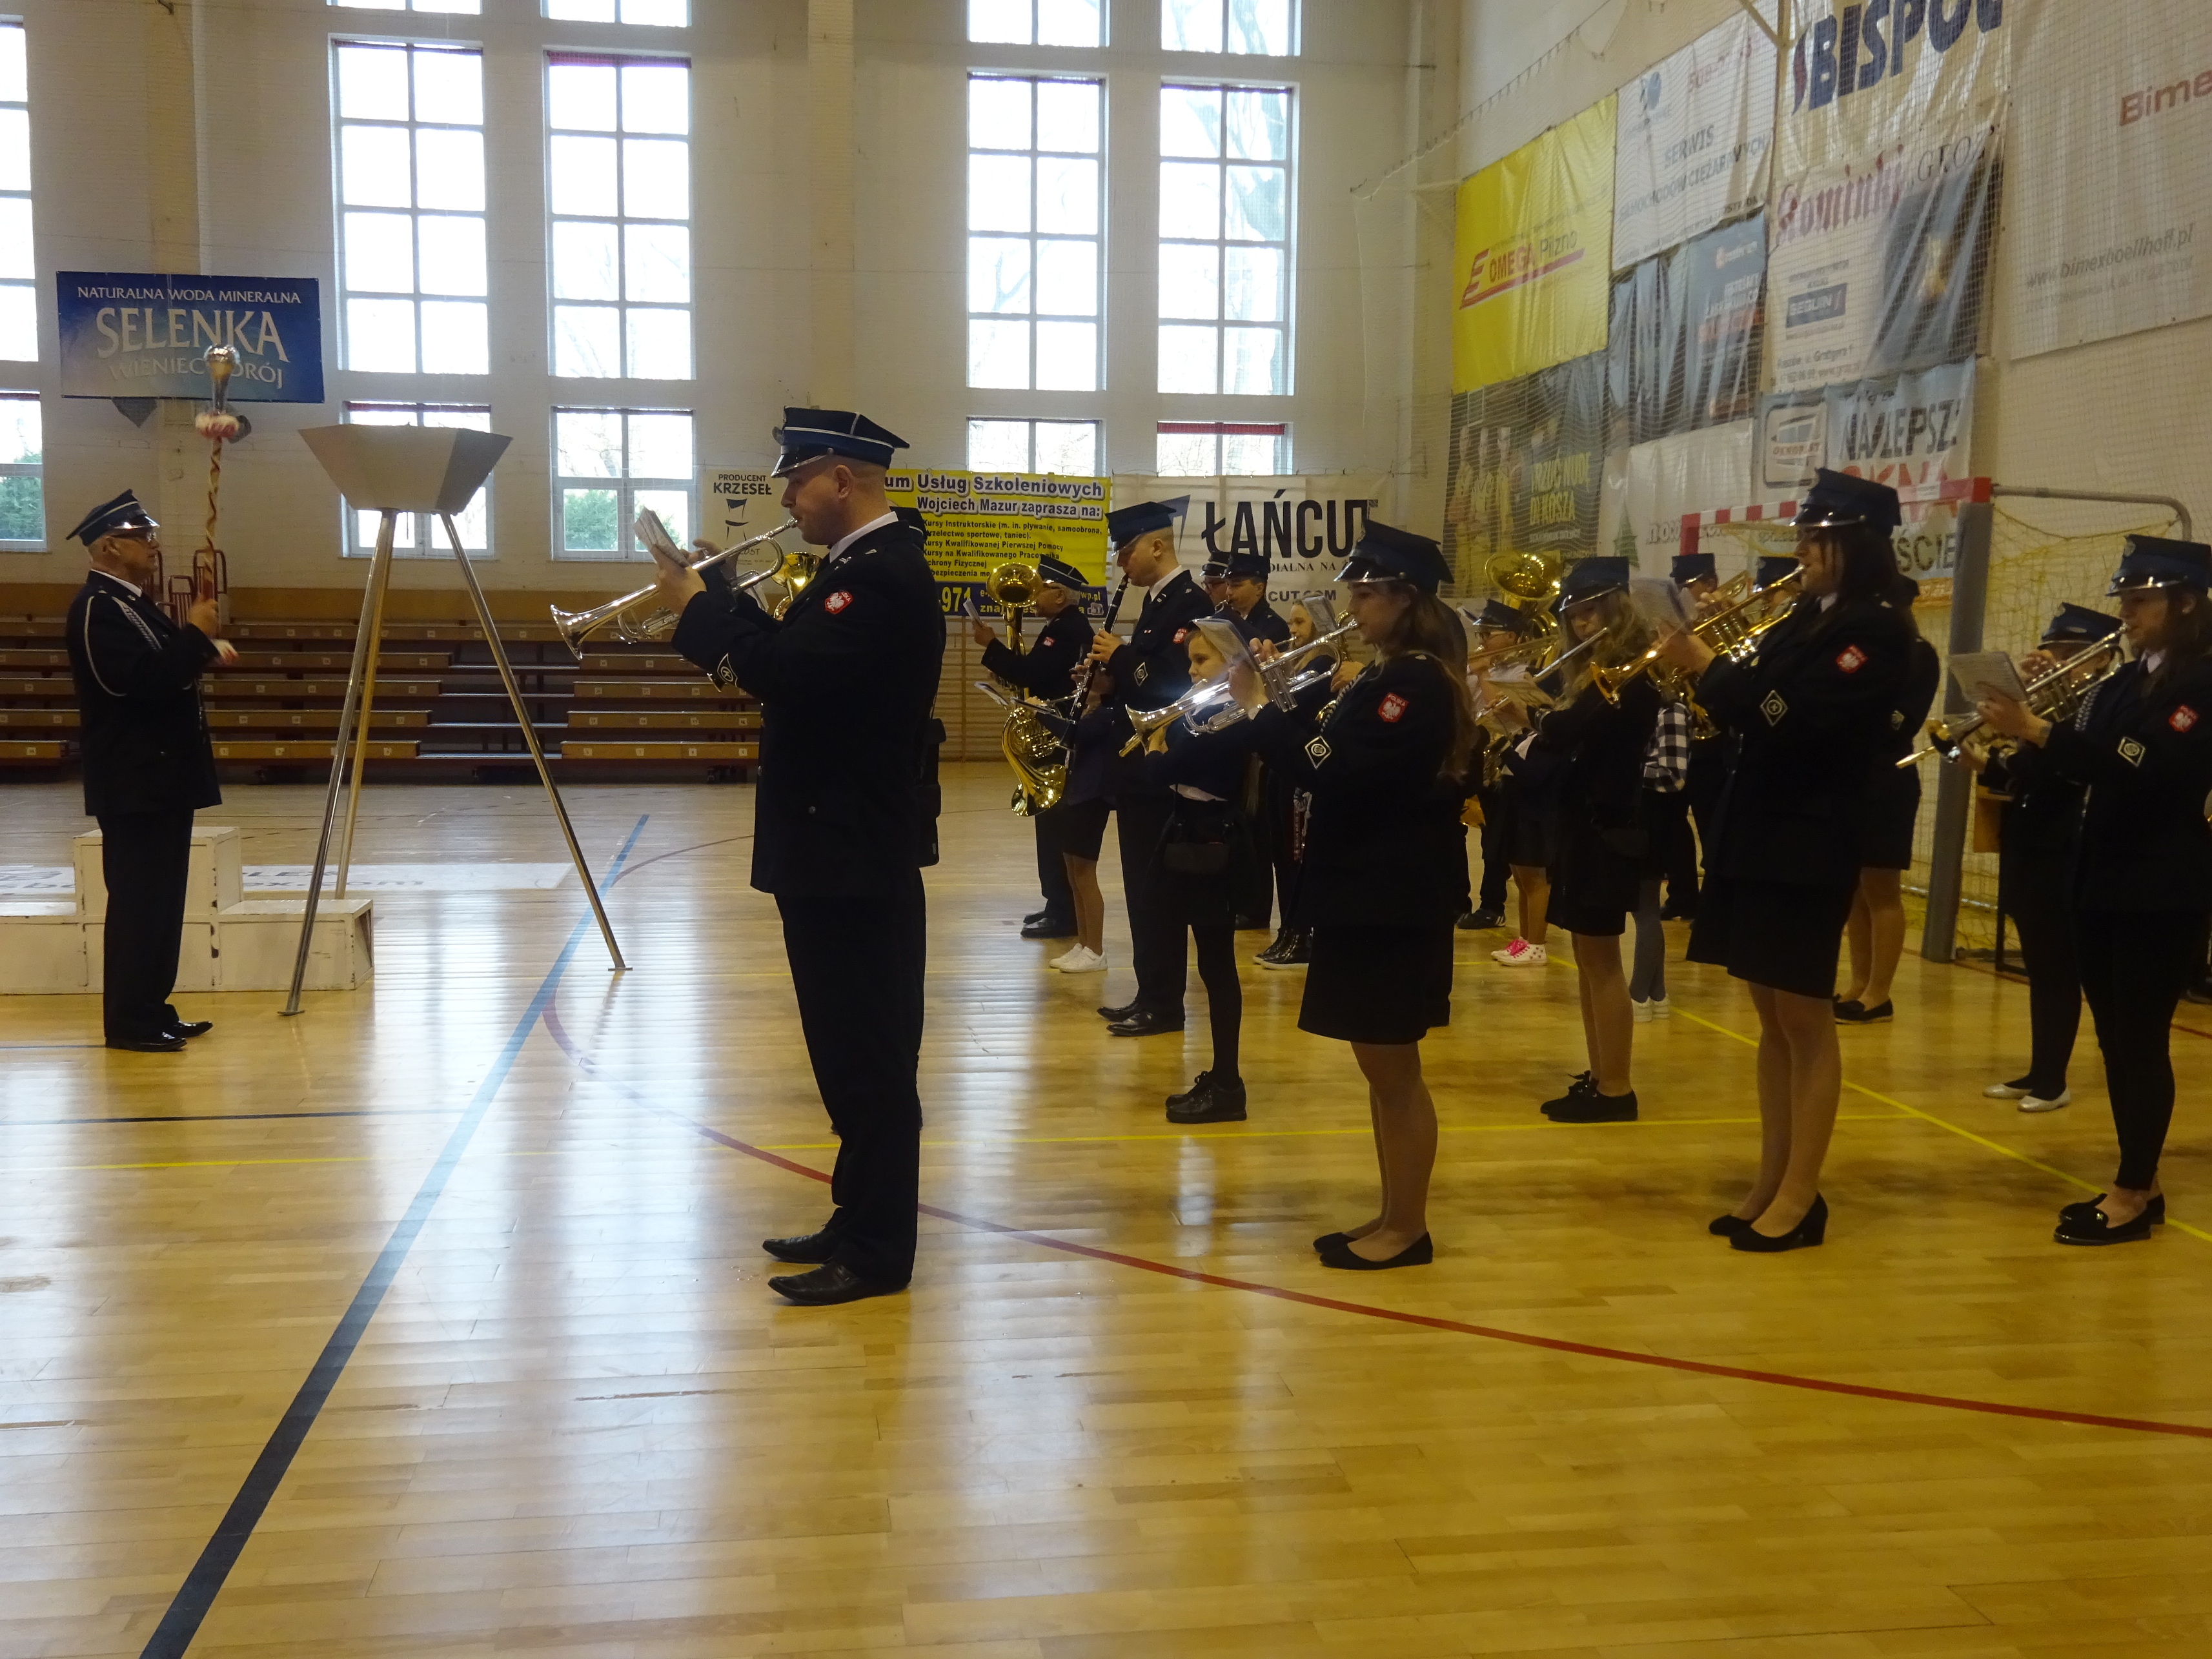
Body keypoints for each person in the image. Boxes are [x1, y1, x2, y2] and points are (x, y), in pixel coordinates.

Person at [650, 407, 944, 1307]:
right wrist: (724, 595)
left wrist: (698, 610)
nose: (785, 498)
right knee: (845, 1050)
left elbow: (783, 675)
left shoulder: (881, 576)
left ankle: (878, 1250)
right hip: (832, 843)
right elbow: (792, 656)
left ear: (840, 480)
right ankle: (855, 1214)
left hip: (849, 846)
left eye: (796, 480)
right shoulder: (857, 568)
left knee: (869, 1057)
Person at [1654, 469, 1913, 1252]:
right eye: (1802, 538)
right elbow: (1756, 702)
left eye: (1815, 540)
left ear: (1855, 545)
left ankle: (1802, 1193)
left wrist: (1707, 664)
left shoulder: (1874, 630)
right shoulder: (1805, 616)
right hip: (1760, 828)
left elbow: (1791, 718)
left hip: (1810, 837)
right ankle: (1770, 1178)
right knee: (1770, 1017)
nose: (1801, 551)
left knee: (1803, 1017)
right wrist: (1718, 671)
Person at [1212, 522, 1476, 1268]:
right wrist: (1279, 699)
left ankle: (1408, 1227)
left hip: (1389, 896)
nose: (1353, 608)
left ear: (1405, 597)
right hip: (1366, 891)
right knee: (1379, 1069)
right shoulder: (1389, 673)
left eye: (1365, 594)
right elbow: (1330, 750)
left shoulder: (1414, 682)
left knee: (1394, 1072)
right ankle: (1393, 1212)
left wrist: (1259, 709)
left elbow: (1335, 770)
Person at [1976, 534, 2212, 1245]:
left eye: (2140, 600)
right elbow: (2071, 760)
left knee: (2139, 1039)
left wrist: (2036, 728)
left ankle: (2131, 1191)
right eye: (2126, 599)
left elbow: (2142, 765)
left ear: (2186, 603)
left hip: (2160, 885)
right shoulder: (2121, 681)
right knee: (2113, 1040)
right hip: (2101, 876)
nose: (2127, 612)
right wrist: (2020, 725)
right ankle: (2141, 1179)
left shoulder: (2200, 682)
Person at [63, 489, 231, 1053]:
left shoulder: (132, 602)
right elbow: (136, 683)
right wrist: (195, 635)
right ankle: (130, 1023)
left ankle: (153, 1009)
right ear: (110, 546)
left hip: (162, 780)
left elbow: (163, 668)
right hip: (134, 781)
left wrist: (200, 649)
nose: (153, 545)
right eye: (142, 537)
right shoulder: (97, 607)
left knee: (161, 905)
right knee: (139, 905)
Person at [1494, 558, 1660, 1123]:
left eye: (1592, 611)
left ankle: (1616, 1088)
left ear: (1617, 607)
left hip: (1608, 827)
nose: (1582, 623)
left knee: (1602, 963)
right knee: (1590, 963)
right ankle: (1599, 1074)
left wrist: (1528, 718)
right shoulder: (1598, 673)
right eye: (1576, 614)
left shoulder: (1630, 676)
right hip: (1585, 823)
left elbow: (1571, 730)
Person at [1965, 604, 2108, 1112]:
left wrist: (2026, 724)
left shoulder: (2094, 707)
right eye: (2053, 651)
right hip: (2028, 836)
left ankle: (2053, 1079)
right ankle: (2039, 1069)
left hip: (2062, 843)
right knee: (2040, 967)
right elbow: (2025, 771)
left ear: (2100, 657)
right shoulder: (2050, 708)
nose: (2057, 661)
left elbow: (2064, 771)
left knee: (2056, 966)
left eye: (2070, 653)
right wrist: (1978, 759)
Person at [1088, 502, 1213, 1036]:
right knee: (1142, 893)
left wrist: (1119, 656)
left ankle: (1163, 1005)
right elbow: (1143, 681)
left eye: (1126, 551)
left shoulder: (1189, 603)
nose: (1122, 563)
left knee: (1156, 895)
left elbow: (1171, 685)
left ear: (1156, 546)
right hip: (1137, 767)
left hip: (1159, 768)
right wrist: (1109, 679)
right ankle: (1150, 993)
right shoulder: (1159, 601)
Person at [1139, 623, 1258, 1121]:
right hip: (1190, 830)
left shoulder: (1228, 716)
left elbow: (1166, 768)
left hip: (1213, 840)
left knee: (1217, 966)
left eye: (1201, 660)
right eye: (1190, 660)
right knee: (1207, 964)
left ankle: (1228, 1084)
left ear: (1231, 665)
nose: (1191, 670)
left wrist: (1157, 747)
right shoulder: (1203, 710)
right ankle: (1222, 1075)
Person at [972, 556, 1097, 962]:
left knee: (1055, 821)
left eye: (1041, 588)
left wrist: (991, 645)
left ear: (1059, 595)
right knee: (1049, 820)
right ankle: (1056, 903)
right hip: (1054, 730)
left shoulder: (1066, 629)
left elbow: (1031, 674)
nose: (1034, 595)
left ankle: (1063, 910)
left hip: (1059, 734)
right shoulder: (1061, 625)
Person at [1836, 575, 1940, 1023]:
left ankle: (1880, 991)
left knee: (1881, 889)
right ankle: (1859, 982)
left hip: (1887, 778)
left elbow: (1901, 721)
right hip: (1851, 777)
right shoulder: (1859, 653)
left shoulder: (1918, 654)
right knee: (1854, 890)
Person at [1252, 600, 1338, 968]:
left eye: (1300, 622)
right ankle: (1288, 929)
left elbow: (1289, 707)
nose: (1292, 630)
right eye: (1291, 622)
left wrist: (1270, 674)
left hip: (1300, 769)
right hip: (1281, 765)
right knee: (1280, 854)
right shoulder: (1302, 663)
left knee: (1294, 855)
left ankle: (1299, 932)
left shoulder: (1324, 662)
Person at [1459, 598, 1527, 931]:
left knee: (1495, 838)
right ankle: (1457, 900)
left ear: (1512, 637)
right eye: (1481, 634)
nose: (1482, 640)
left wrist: (1483, 673)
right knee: (1462, 832)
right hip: (1471, 755)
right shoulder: (1475, 667)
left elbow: (1497, 710)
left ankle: (1492, 905)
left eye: (1489, 634)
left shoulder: (1520, 672)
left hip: (1503, 759)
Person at [1661, 551, 1721, 919]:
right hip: (1677, 737)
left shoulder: (1722, 620)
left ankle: (1715, 904)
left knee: (1711, 825)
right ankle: (1682, 895)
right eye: (1678, 588)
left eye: (1689, 585)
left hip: (1713, 741)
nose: (1684, 594)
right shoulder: (1677, 626)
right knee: (1671, 823)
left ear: (1711, 583)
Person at [1630, 693, 1692, 1020]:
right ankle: (1657, 993)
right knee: (1647, 910)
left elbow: (1674, 775)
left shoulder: (1671, 711)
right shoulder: (1647, 709)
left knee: (1645, 911)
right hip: (1643, 817)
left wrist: (1624, 771)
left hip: (1656, 822)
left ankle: (1638, 995)